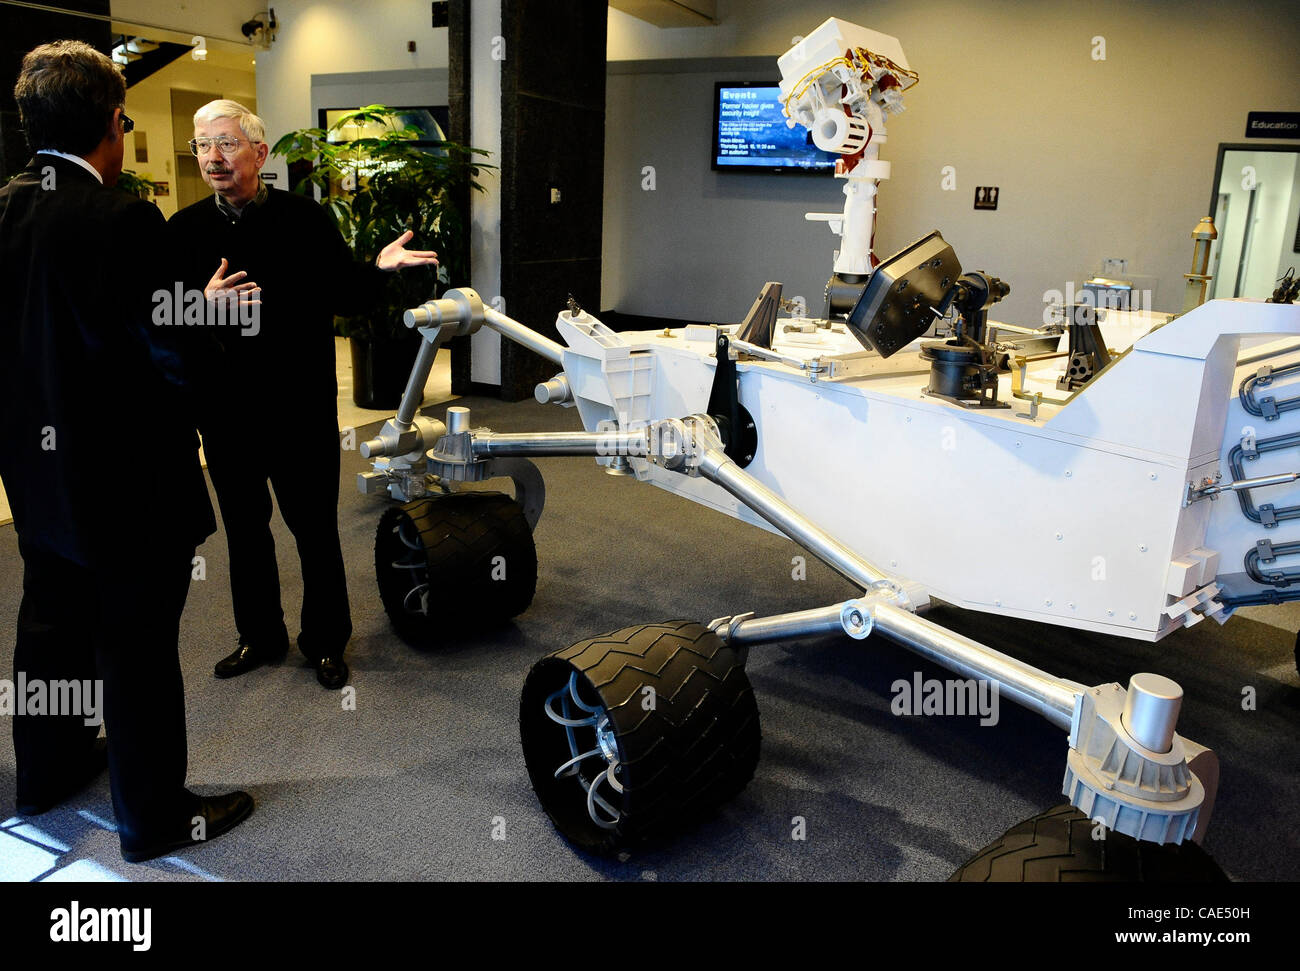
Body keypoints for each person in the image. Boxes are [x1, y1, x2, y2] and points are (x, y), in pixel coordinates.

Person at [0, 40, 253, 863]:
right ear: (114, 124)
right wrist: (203, 313)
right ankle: (153, 819)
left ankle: (47, 768)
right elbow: (162, 353)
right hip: (126, 485)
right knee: (137, 649)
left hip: (37, 480)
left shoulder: (5, 207)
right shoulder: (122, 218)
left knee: (49, 624)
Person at [166, 100, 438, 690]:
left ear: (260, 154)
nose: (213, 157)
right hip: (226, 413)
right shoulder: (182, 230)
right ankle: (259, 637)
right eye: (203, 145)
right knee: (245, 530)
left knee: (313, 529)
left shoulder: (304, 219)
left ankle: (324, 641)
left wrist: (379, 268)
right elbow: (161, 319)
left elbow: (345, 293)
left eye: (227, 143)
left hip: (299, 408)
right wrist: (199, 306)